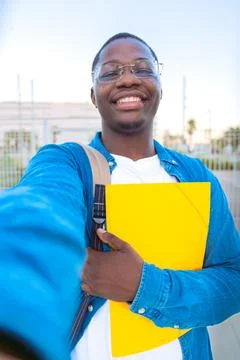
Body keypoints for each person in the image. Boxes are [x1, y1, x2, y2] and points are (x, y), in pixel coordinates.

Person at [0, 32, 239, 360]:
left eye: (143, 69)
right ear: (94, 96)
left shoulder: (197, 177)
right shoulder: (67, 162)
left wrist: (145, 286)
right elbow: (40, 206)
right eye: (110, 72)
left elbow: (233, 278)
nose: (127, 78)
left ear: (159, 87)